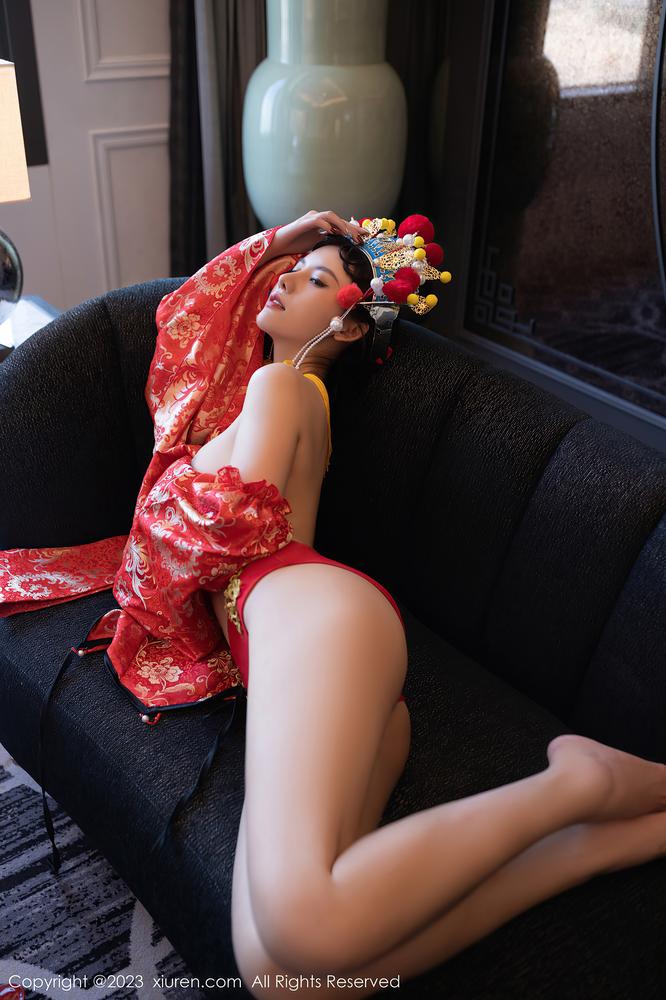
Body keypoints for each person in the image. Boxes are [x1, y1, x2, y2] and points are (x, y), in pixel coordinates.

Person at [189, 211, 666, 998]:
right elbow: (195, 312)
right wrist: (287, 239)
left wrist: (157, 538)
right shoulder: (272, 394)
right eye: (289, 271)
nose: (286, 279)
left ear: (349, 325)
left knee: (304, 929)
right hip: (299, 650)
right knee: (286, 979)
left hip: (310, 616)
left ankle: (575, 789)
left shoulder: (280, 385)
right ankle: (599, 846)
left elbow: (235, 529)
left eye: (315, 279)